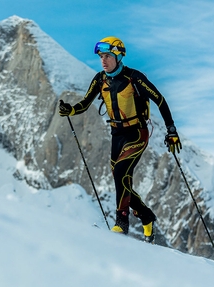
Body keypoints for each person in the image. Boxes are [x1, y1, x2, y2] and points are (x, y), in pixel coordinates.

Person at [58, 36, 181, 243]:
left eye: (107, 56)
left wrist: (171, 130)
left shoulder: (134, 78)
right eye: (101, 57)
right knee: (120, 179)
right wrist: (70, 109)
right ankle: (145, 215)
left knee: (121, 173)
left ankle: (121, 223)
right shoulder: (99, 79)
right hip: (116, 135)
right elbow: (85, 104)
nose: (103, 61)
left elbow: (159, 99)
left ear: (118, 56)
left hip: (137, 133)